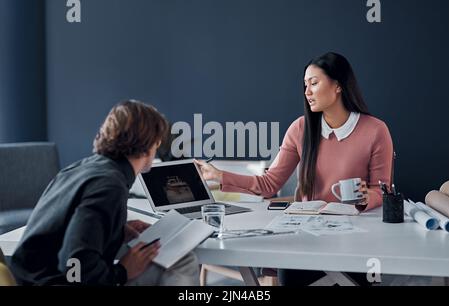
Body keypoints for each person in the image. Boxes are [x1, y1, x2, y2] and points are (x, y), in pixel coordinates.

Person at [195, 52, 394, 286]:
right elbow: (269, 184)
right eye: (305, 85)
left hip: (356, 238)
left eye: (314, 83)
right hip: (309, 237)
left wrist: (364, 196)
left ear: (338, 85)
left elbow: (383, 190)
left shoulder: (375, 130)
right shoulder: (300, 129)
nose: (307, 92)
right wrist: (218, 175)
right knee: (288, 271)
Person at [10, 100, 199, 286]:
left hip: (30, 277)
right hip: (56, 281)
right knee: (181, 261)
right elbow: (74, 265)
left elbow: (69, 231)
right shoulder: (109, 186)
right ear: (148, 145)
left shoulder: (83, 168)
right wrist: (122, 272)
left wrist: (115, 230)